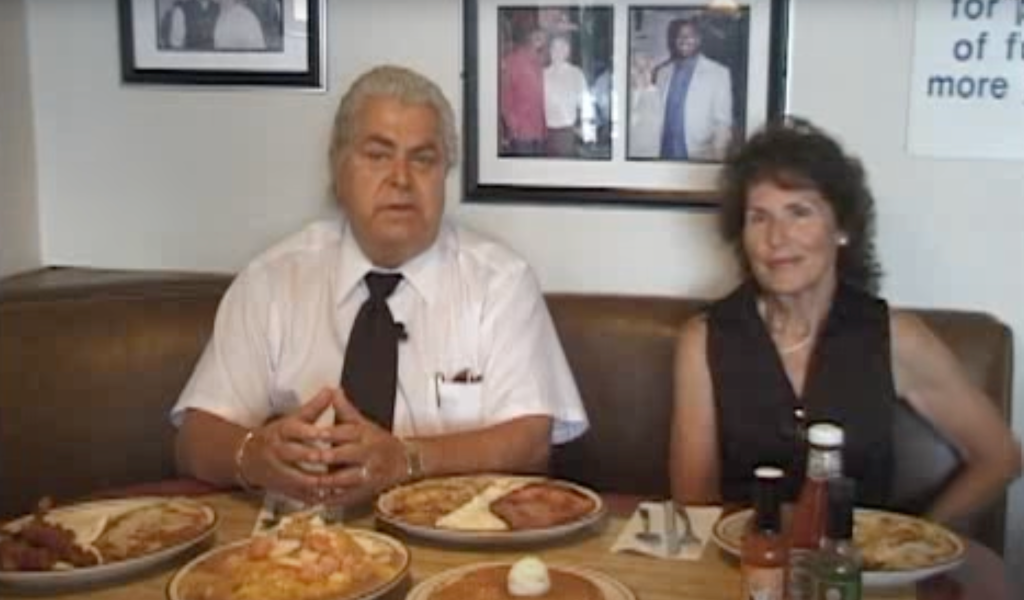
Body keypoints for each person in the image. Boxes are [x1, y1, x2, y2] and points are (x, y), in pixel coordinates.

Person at [172, 65, 588, 508]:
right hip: (298, 552)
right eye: (378, 155)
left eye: (423, 159)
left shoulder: (500, 283)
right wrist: (254, 455)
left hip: (452, 543)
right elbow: (194, 439)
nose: (401, 179)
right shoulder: (274, 279)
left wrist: (407, 460)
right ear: (339, 167)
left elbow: (531, 444)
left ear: (445, 173)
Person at [669, 118, 1021, 524]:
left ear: (842, 228)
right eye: (759, 218)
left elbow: (1001, 458)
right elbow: (694, 501)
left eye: (799, 212)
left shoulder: (894, 336)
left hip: (856, 575)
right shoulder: (705, 338)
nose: (777, 238)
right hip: (744, 567)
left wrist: (914, 546)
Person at [629, 17, 732, 161]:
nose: (684, 39)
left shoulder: (718, 73)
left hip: (698, 157)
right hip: (663, 155)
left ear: (699, 39)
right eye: (679, 35)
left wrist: (717, 160)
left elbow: (723, 123)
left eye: (689, 35)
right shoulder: (662, 72)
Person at [543, 35, 597, 157]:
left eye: (561, 48)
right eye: (554, 48)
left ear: (567, 52)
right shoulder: (543, 74)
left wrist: (586, 130)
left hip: (566, 133)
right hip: (545, 133)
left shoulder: (575, 74)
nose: (556, 52)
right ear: (549, 51)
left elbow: (586, 104)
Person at [500, 26, 547, 156]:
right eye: (537, 36)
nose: (540, 40)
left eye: (543, 38)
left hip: (541, 131)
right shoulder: (514, 60)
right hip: (522, 131)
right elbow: (504, 94)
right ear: (528, 38)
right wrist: (512, 124)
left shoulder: (542, 61)